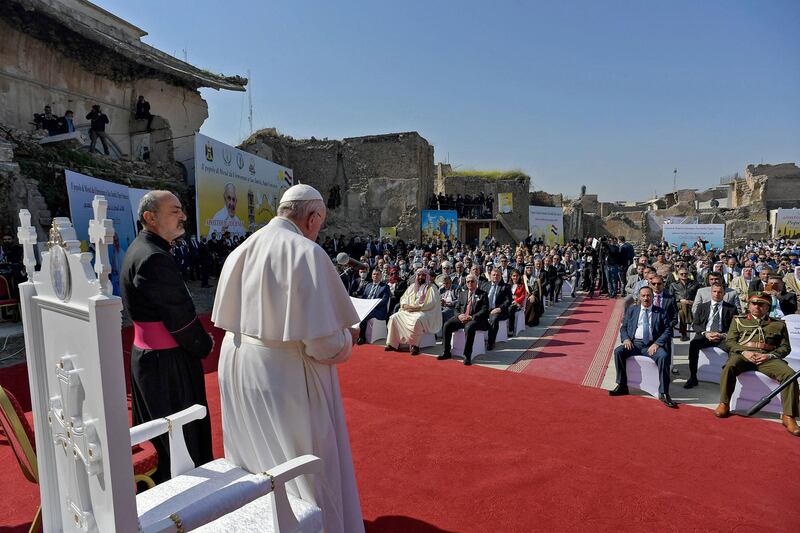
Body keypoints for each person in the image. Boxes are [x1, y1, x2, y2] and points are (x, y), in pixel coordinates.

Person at [211, 184, 364, 532]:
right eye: (320, 223)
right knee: (302, 466)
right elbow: (323, 344)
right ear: (312, 218)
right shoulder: (305, 253)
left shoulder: (242, 247)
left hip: (238, 362)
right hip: (285, 375)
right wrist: (347, 337)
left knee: (254, 457)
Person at [121, 190, 214, 483]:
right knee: (178, 438)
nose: (183, 216)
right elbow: (180, 317)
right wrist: (204, 344)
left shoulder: (144, 248)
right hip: (167, 364)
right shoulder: (153, 258)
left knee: (160, 431)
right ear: (150, 217)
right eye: (175, 211)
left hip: (154, 359)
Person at [715, 292, 799, 437]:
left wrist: (769, 355)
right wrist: (743, 352)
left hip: (767, 358)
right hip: (744, 355)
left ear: (768, 307)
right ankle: (724, 403)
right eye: (754, 304)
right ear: (749, 305)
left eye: (761, 304)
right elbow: (730, 342)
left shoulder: (779, 324)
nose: (757, 307)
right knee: (730, 366)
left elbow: (786, 348)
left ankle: (788, 416)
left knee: (789, 375)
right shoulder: (739, 320)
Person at [609, 286, 677, 408]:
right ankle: (622, 385)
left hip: (652, 345)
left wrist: (657, 344)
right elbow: (623, 327)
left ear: (652, 297)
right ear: (639, 297)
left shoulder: (661, 312)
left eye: (648, 295)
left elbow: (668, 330)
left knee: (664, 356)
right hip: (634, 344)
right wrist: (626, 339)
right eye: (643, 296)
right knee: (618, 351)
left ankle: (664, 392)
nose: (646, 298)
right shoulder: (632, 310)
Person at [684, 285, 736, 388]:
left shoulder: (731, 308)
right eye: (715, 291)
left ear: (724, 294)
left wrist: (722, 335)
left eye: (720, 292)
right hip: (705, 335)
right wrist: (705, 333)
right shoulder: (702, 306)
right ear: (711, 293)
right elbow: (695, 324)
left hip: (722, 337)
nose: (717, 294)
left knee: (733, 350)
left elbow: (734, 327)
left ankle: (728, 380)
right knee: (693, 344)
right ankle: (693, 377)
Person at [385, 268, 442, 354]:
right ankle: (392, 344)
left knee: (417, 320)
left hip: (424, 312)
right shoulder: (412, 287)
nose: (420, 277)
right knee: (394, 317)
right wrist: (405, 305)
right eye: (419, 275)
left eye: (423, 275)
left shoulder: (432, 288)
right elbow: (403, 298)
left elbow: (431, 303)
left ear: (426, 276)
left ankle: (415, 345)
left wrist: (416, 308)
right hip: (409, 310)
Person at [439, 274, 490, 365]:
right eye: (468, 282)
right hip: (462, 317)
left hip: (476, 319)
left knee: (469, 327)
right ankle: (446, 352)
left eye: (472, 281)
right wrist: (459, 316)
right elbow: (457, 308)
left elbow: (485, 310)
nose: (470, 283)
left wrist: (472, 317)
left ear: (476, 282)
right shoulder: (463, 293)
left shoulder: (483, 294)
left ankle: (467, 355)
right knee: (447, 325)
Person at [356, 268, 391, 344]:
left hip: (379, 311)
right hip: (366, 308)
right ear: (371, 276)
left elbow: (384, 301)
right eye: (374, 274)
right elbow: (364, 297)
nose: (375, 276)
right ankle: (352, 333)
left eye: (378, 274)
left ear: (381, 276)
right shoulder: (368, 285)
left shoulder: (385, 287)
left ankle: (362, 337)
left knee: (365, 314)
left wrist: (371, 305)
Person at [484, 269, 512, 350]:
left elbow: (508, 301)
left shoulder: (506, 286)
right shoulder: (485, 285)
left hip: (500, 311)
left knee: (494, 318)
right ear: (490, 276)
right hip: (486, 309)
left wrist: (499, 308)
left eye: (498, 275)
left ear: (501, 276)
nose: (495, 276)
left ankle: (490, 342)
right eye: (494, 275)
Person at [670, 267, 698, 341]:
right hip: (678, 304)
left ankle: (684, 333)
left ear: (688, 274)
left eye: (685, 273)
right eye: (681, 274)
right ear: (678, 275)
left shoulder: (695, 283)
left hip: (692, 303)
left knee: (682, 312)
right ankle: (689, 321)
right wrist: (680, 300)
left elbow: (698, 295)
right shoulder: (673, 285)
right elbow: (670, 297)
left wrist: (693, 301)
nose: (683, 275)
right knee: (683, 306)